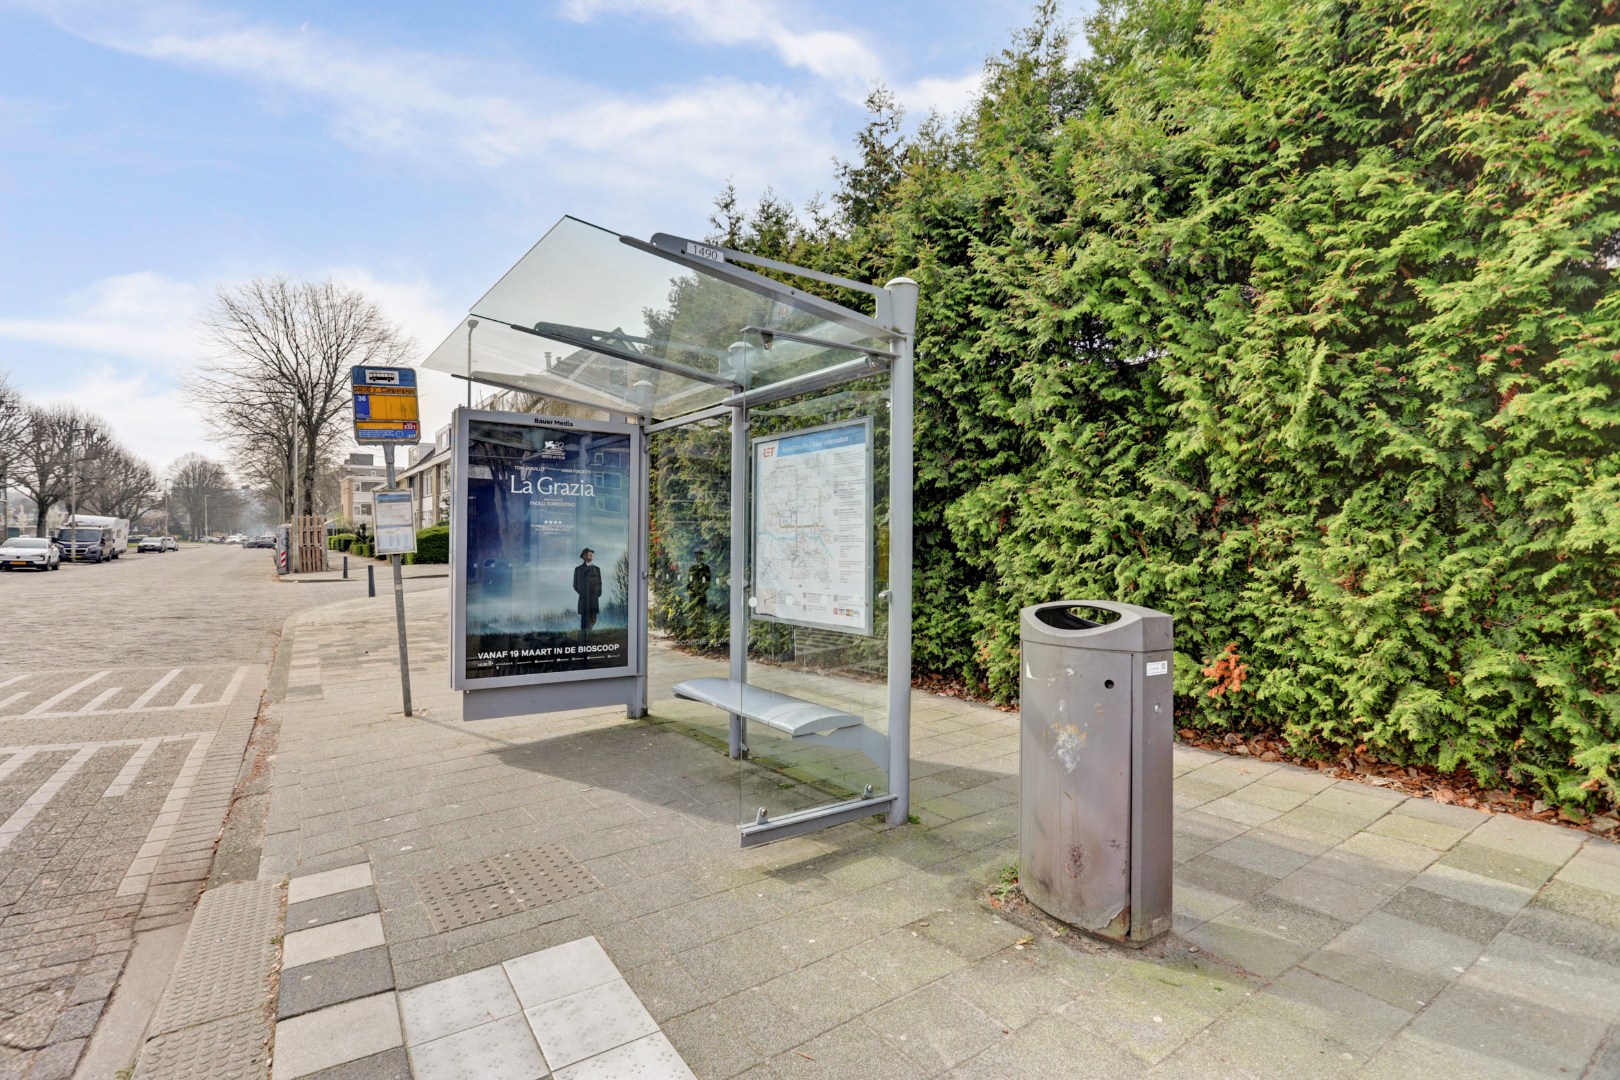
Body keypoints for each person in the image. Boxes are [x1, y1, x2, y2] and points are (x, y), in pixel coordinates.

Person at [573, 547, 602, 640]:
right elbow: (575, 585)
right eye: (589, 553)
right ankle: (583, 640)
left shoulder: (597, 569)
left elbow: (600, 583)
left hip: (594, 599)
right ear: (584, 556)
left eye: (591, 553)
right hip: (584, 599)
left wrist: (597, 593)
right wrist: (584, 593)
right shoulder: (578, 569)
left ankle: (585, 637)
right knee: (584, 621)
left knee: (593, 619)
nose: (591, 554)